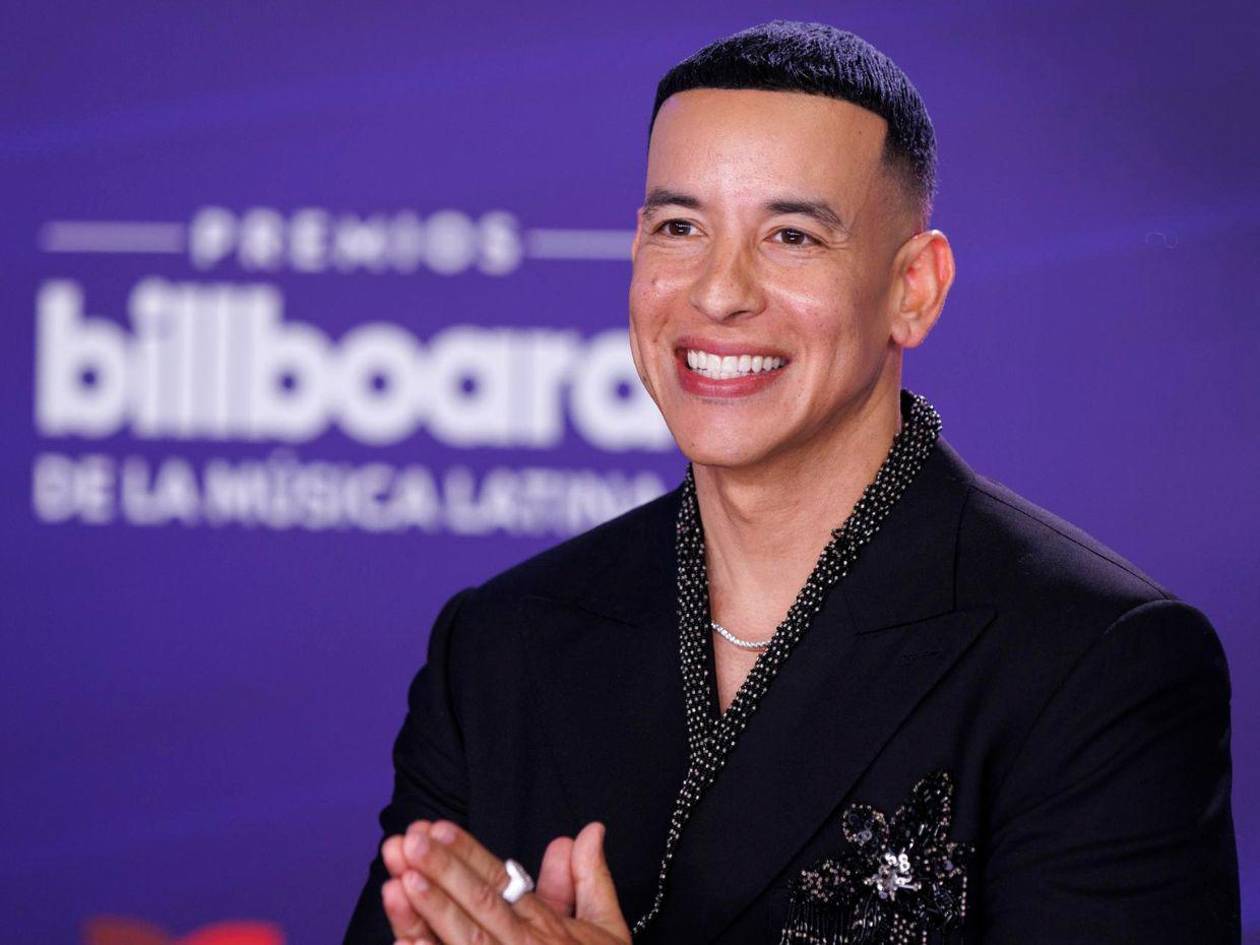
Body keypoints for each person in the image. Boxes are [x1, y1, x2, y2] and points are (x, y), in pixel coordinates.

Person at [344, 20, 1239, 945]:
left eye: (792, 236)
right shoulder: (499, 646)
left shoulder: (1096, 663)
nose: (718, 291)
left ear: (914, 289)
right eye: (679, 227)